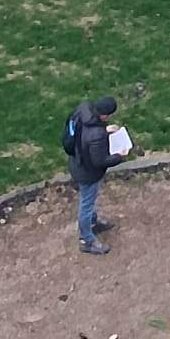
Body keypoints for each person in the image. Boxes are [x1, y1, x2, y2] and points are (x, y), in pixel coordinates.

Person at [63, 95, 127, 255]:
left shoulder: (83, 110)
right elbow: (100, 161)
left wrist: (105, 130)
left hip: (77, 162)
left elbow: (85, 135)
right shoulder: (96, 135)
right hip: (88, 173)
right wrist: (120, 156)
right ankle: (86, 240)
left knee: (88, 202)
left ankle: (92, 222)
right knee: (86, 204)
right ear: (105, 115)